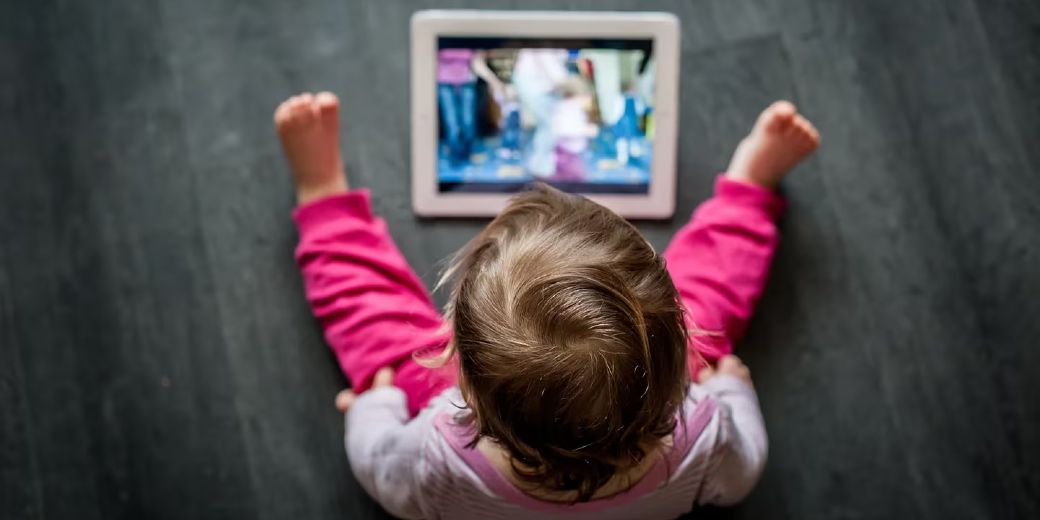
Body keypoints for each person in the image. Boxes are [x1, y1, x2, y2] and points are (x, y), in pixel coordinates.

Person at [274, 92, 820, 519]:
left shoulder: (436, 460)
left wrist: (377, 407)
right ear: (681, 354)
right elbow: (744, 470)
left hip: (480, 459)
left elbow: (377, 465)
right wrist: (730, 388)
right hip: (660, 426)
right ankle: (749, 190)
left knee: (380, 333)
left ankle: (324, 193)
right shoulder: (704, 436)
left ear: (461, 379)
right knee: (712, 291)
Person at [437, 49, 503, 167]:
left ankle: (466, 154)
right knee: (452, 122)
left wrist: (495, 82)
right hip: (444, 83)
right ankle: (455, 157)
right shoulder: (443, 42)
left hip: (467, 83)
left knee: (468, 122)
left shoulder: (470, 44)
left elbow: (478, 64)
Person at [550, 77, 598, 182]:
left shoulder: (574, 109)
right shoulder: (565, 109)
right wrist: (586, 130)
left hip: (572, 154)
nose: (588, 100)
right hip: (566, 155)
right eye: (586, 96)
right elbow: (562, 130)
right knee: (573, 181)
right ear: (577, 95)